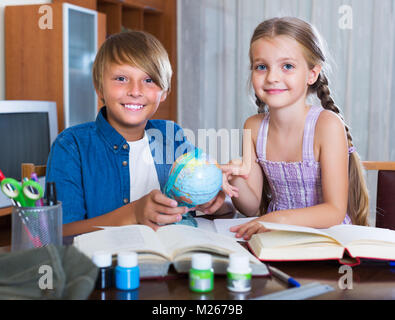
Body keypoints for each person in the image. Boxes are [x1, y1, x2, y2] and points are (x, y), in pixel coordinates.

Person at [46, 31, 227, 236]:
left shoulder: (172, 135)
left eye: (148, 80)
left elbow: (216, 207)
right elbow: (60, 233)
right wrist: (132, 213)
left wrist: (214, 200)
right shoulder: (71, 146)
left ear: (164, 91)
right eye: (121, 78)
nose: (135, 91)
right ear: (99, 88)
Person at [221, 17, 369, 240]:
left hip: (328, 241)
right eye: (261, 67)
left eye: (287, 66)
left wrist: (277, 219)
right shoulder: (253, 126)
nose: (272, 77)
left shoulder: (326, 125)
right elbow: (250, 207)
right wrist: (235, 177)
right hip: (276, 239)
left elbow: (334, 211)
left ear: (312, 74)